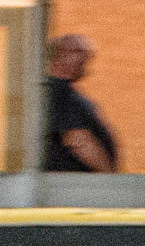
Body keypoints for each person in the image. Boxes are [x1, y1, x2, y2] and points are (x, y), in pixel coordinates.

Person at [45, 34, 118, 172]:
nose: (86, 57)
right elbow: (78, 140)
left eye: (87, 52)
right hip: (73, 185)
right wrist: (110, 178)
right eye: (78, 51)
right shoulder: (59, 90)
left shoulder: (64, 91)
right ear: (60, 56)